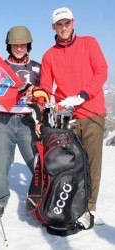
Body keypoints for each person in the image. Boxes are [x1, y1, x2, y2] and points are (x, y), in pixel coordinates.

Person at [39, 7, 108, 226]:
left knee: (91, 161)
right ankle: (71, 203)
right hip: (66, 116)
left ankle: (88, 208)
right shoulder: (49, 55)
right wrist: (47, 110)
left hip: (92, 111)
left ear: (73, 23)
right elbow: (44, 89)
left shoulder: (90, 43)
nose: (64, 27)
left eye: (67, 23)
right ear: (53, 27)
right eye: (59, 24)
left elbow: (101, 70)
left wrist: (83, 94)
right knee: (70, 163)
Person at [0, 26, 41, 217]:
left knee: (36, 161)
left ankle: (43, 195)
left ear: (28, 45)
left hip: (27, 119)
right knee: (1, 162)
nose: (19, 48)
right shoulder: (0, 67)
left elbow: (43, 94)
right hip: (3, 119)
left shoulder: (37, 67)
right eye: (15, 45)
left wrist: (35, 95)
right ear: (9, 46)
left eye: (23, 45)